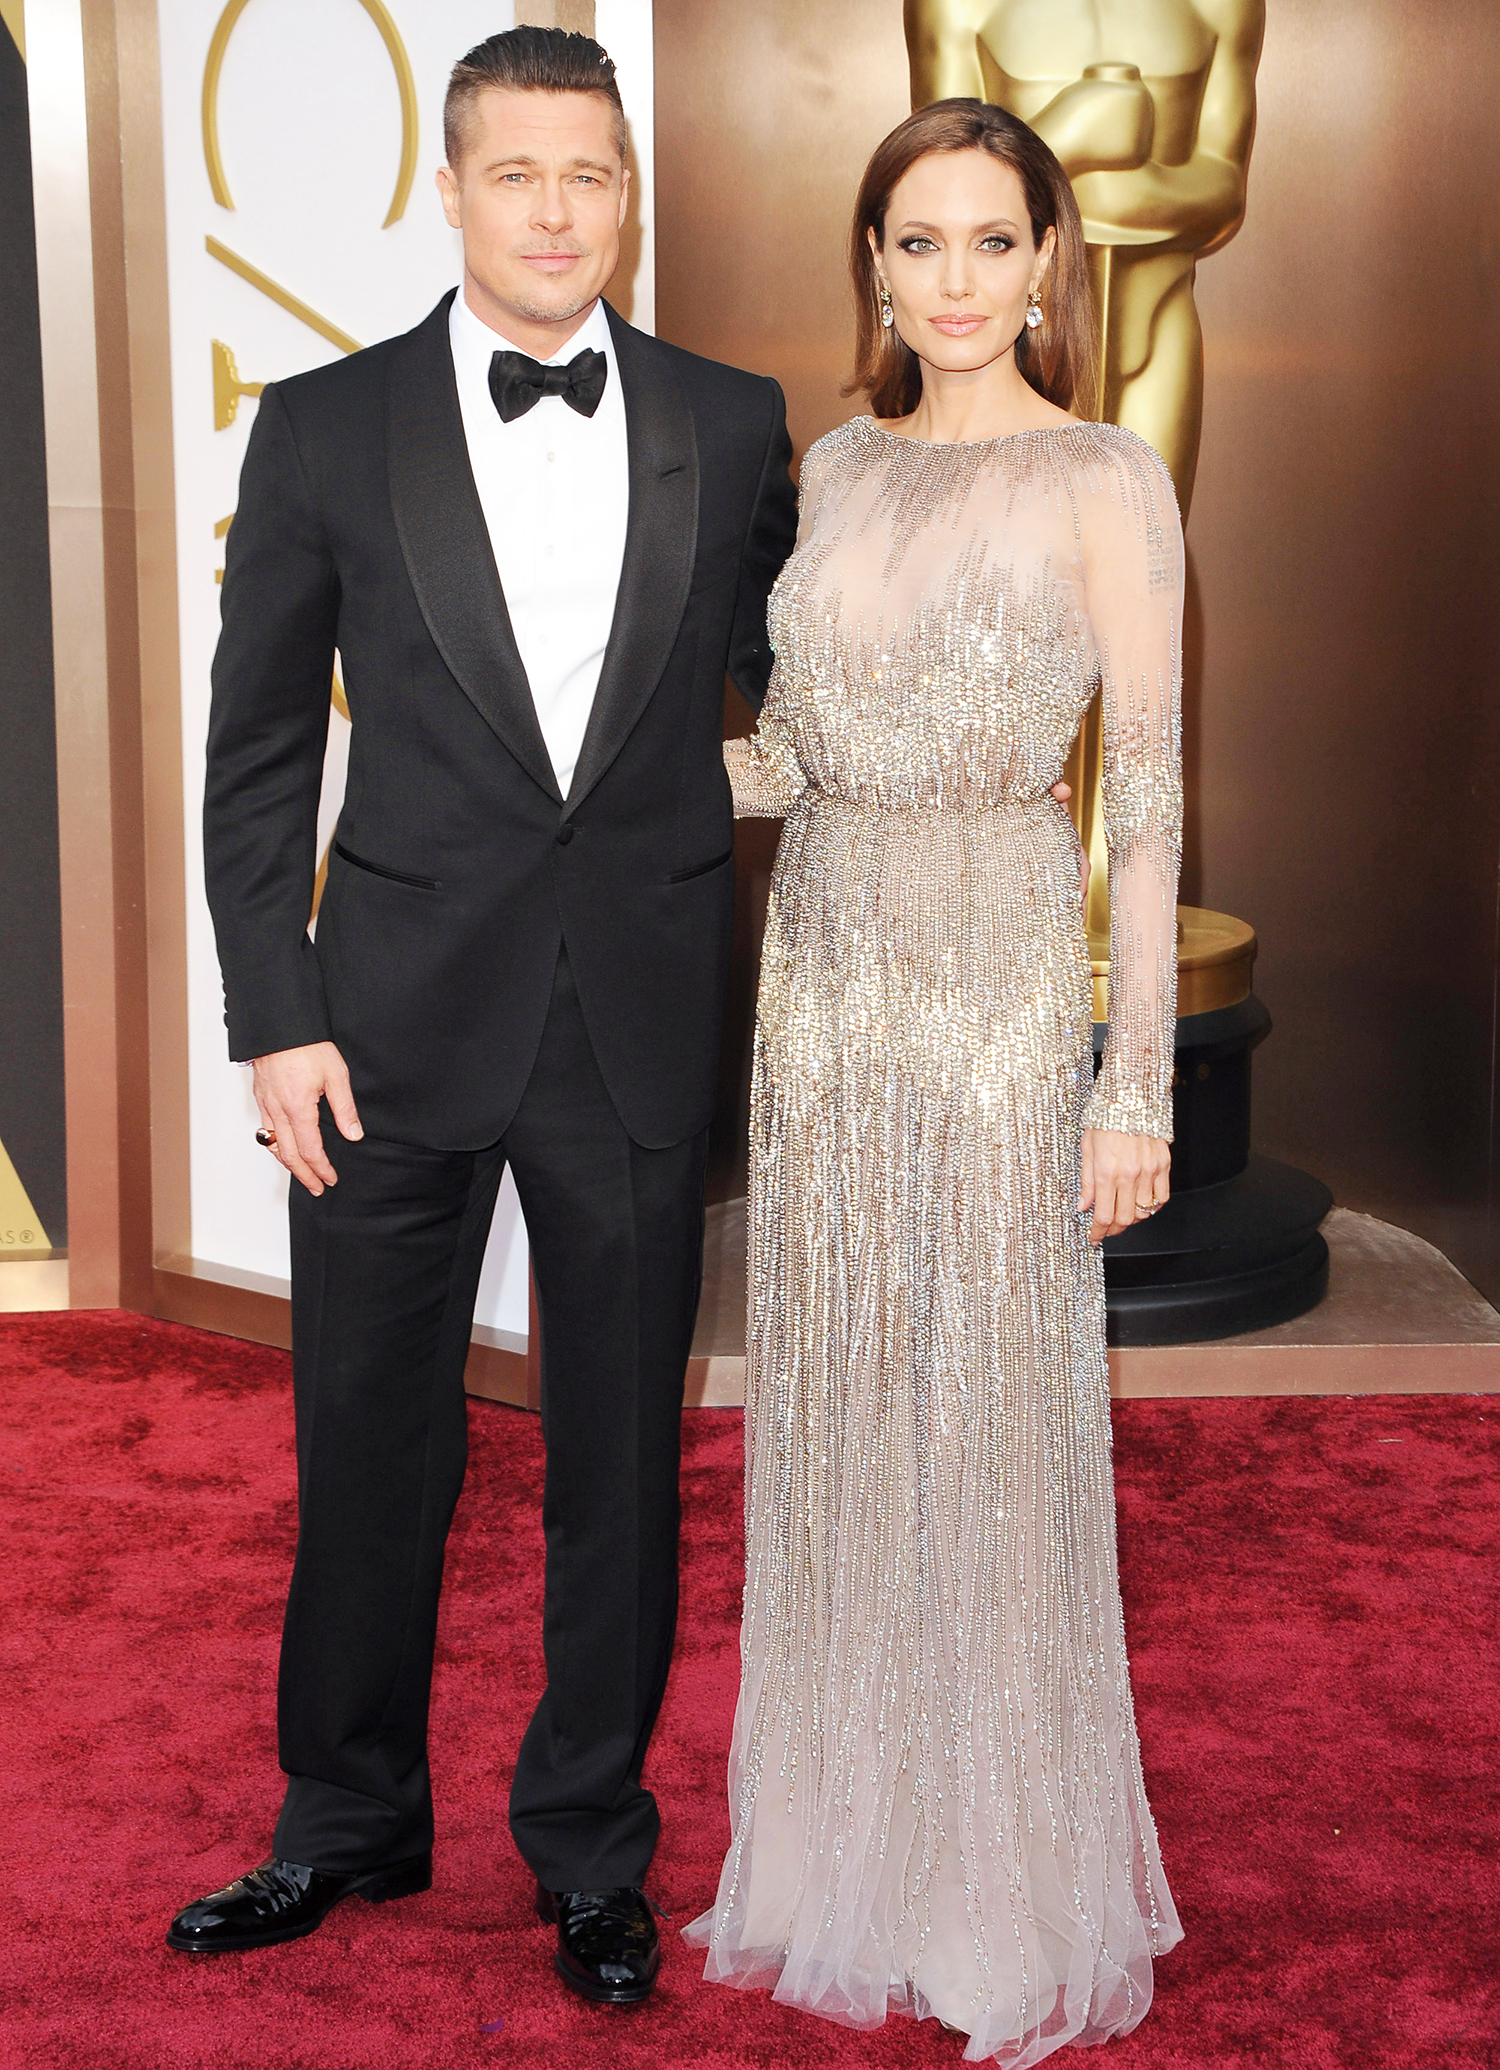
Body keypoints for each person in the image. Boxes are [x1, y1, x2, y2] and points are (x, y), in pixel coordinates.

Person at [167, 27, 798, 2009]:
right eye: (516, 172)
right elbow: (260, 750)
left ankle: (590, 1850)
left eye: (589, 174)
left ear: (629, 193)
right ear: (452, 191)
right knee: (367, 1436)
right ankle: (345, 1819)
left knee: (620, 1453)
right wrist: (274, 1012)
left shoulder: (737, 420)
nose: (554, 209)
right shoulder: (326, 429)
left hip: (632, 1007)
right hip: (379, 1022)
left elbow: (812, 688)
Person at [686, 99, 1184, 2061]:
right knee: (841, 1418)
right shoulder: (833, 464)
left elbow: (1140, 807)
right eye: (921, 242)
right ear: (874, 266)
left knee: (980, 1431)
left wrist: (1127, 1085)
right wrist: (590, 788)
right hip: (819, 990)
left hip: (988, 990)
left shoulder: (1105, 477)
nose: (958, 280)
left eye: (994, 241)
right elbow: (802, 757)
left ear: (1050, 261)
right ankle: (848, 1860)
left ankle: (994, 1877)